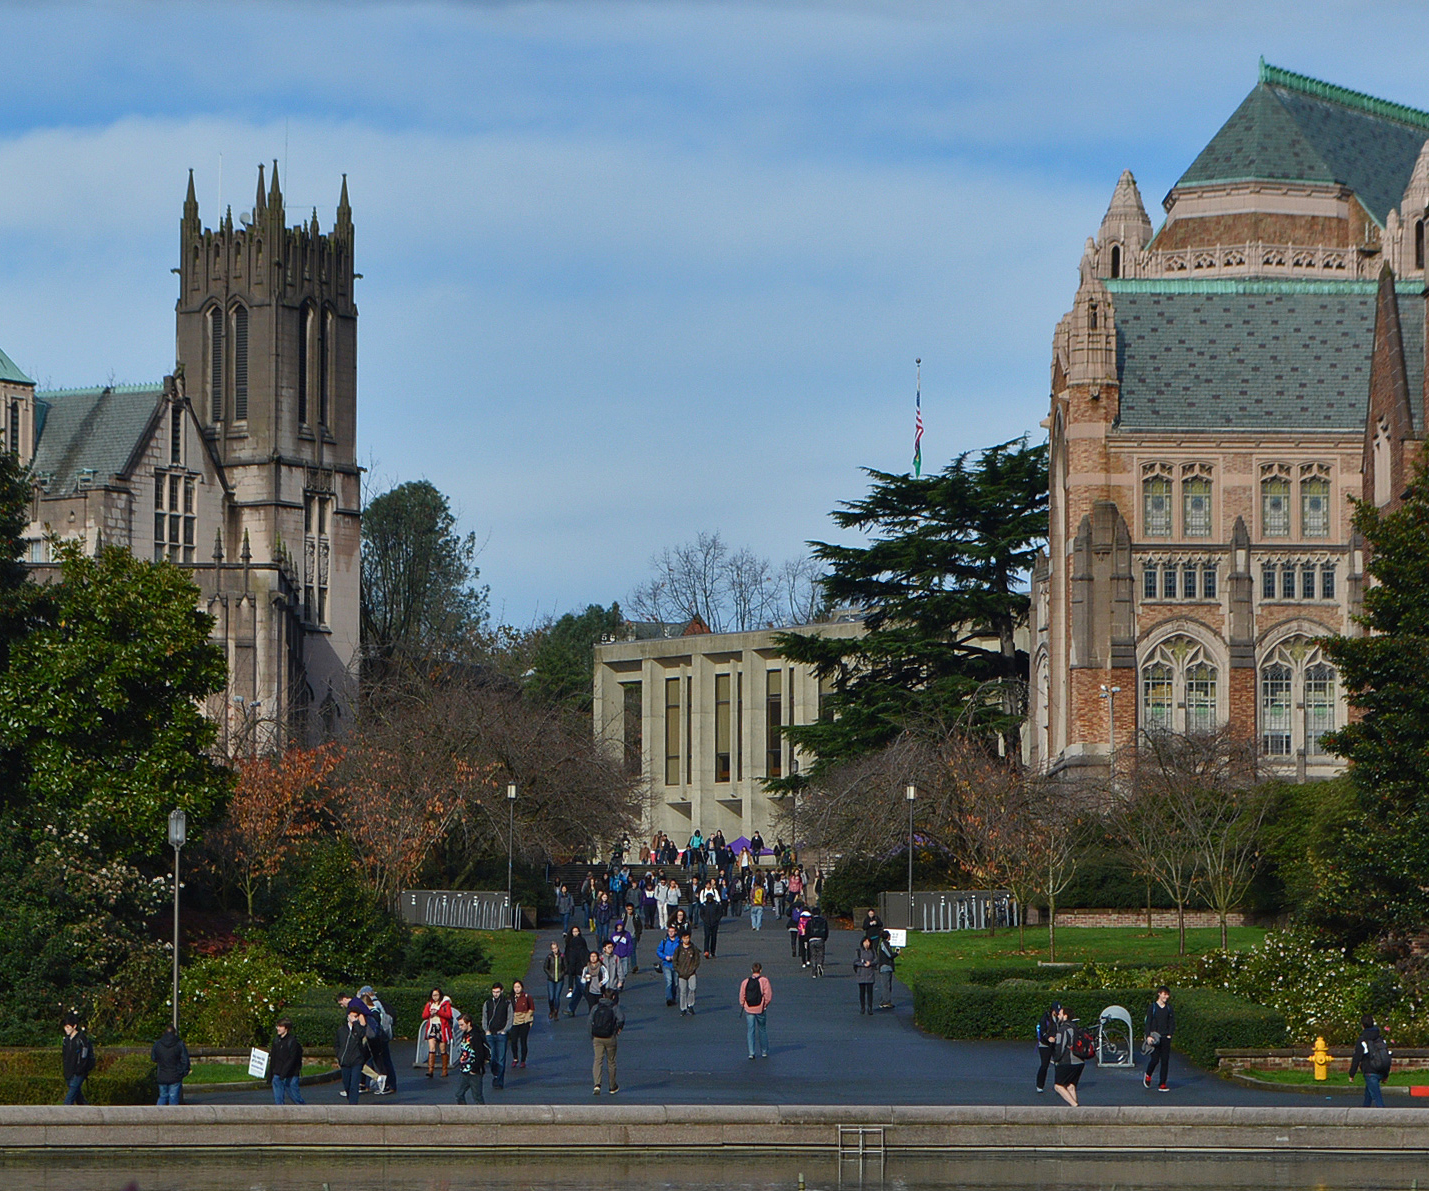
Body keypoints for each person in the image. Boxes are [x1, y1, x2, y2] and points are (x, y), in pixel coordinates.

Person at [1349, 1013, 1391, 1107]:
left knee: (1377, 1099)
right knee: (1368, 1096)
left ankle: (1384, 1118)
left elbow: (1357, 1057)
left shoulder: (1363, 1040)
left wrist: (1352, 1074)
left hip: (1369, 1071)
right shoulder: (1380, 1039)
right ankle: (1364, 1113)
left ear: (1362, 1025)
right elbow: (1385, 1057)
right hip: (1380, 1070)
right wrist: (1386, 1074)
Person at [360, 985, 397, 1094]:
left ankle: (387, 1085)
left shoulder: (374, 1006)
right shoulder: (381, 1004)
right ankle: (373, 1083)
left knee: (381, 1061)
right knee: (380, 1060)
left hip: (377, 1037)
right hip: (382, 1036)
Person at [590, 988, 625, 1096]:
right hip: (610, 1037)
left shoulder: (596, 1007)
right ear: (613, 997)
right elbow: (621, 1019)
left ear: (603, 996)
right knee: (611, 1061)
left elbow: (589, 1021)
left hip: (597, 1037)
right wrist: (617, 1029)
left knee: (598, 1060)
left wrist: (592, 1035)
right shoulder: (614, 1007)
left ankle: (597, 1084)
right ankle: (612, 1086)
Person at [482, 982, 514, 1090]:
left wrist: (505, 1030)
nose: (495, 994)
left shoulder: (506, 1003)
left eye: (497, 992)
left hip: (501, 1034)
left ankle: (499, 1081)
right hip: (490, 1034)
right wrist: (486, 1030)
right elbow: (484, 1017)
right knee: (492, 1058)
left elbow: (510, 1018)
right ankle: (495, 1074)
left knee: (501, 1059)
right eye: (494, 992)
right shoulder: (487, 1003)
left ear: (502, 991)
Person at [335, 1003, 369, 1105]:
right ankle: (350, 1098)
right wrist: (339, 1055)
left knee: (354, 1084)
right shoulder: (341, 1030)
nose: (353, 1018)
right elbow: (337, 1044)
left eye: (355, 1016)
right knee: (347, 1084)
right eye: (351, 1016)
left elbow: (361, 1035)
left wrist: (356, 1024)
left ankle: (353, 1104)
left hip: (356, 1060)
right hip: (345, 1060)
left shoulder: (359, 1028)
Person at [1142, 985, 1174, 1092]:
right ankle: (1148, 1074)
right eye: (1164, 994)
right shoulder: (1153, 1007)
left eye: (1167, 995)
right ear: (1159, 994)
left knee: (1165, 1061)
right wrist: (1148, 1036)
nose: (1166, 997)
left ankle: (1162, 1083)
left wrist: (1170, 1034)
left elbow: (1172, 1023)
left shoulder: (1169, 1008)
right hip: (1155, 1037)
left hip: (1165, 1037)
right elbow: (1148, 1022)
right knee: (1155, 1060)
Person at [739, 961, 773, 1060]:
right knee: (762, 1029)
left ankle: (751, 1052)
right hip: (760, 1008)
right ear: (760, 970)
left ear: (751, 970)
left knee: (750, 1030)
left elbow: (742, 995)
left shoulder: (745, 981)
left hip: (749, 1008)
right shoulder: (764, 981)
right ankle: (764, 1051)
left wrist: (744, 1005)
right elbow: (768, 995)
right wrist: (764, 1004)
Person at [151, 1023, 191, 1105]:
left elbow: (153, 1058)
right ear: (175, 1033)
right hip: (175, 1075)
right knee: (173, 1097)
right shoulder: (179, 1044)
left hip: (162, 1074)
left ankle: (158, 1115)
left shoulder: (158, 1044)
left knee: (162, 1096)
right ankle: (173, 1116)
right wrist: (183, 1072)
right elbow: (185, 1060)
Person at [1053, 1006, 1084, 1107]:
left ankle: (1075, 1106)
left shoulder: (1063, 1029)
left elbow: (1060, 1046)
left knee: (1058, 1086)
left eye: (1060, 1014)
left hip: (1068, 1061)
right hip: (1080, 1061)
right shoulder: (1076, 1028)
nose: (1059, 1015)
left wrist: (1056, 1059)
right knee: (1070, 1086)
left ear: (1065, 1016)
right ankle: (1074, 1111)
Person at [61, 1014, 95, 1105]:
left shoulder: (82, 1040)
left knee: (69, 1098)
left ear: (74, 1026)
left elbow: (84, 1056)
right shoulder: (66, 1041)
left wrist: (81, 1069)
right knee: (78, 1097)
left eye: (68, 1027)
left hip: (79, 1072)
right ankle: (88, 1111)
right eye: (65, 1027)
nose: (66, 1029)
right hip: (69, 1071)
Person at [270, 1017, 306, 1105]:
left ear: (286, 1028)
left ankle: (306, 1111)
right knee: (278, 1099)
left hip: (291, 1074)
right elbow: (274, 1058)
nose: (278, 1028)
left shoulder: (292, 1041)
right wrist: (270, 1074)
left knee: (295, 1096)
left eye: (280, 1026)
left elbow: (292, 1059)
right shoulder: (276, 1041)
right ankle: (280, 1113)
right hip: (278, 1073)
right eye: (277, 1026)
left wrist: (284, 1073)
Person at [453, 1013, 486, 1105]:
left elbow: (480, 1054)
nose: (460, 1027)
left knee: (477, 1096)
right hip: (464, 1070)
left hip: (474, 1072)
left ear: (469, 1023)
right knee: (459, 1094)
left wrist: (474, 1069)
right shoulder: (465, 1035)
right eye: (459, 1025)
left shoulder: (476, 1036)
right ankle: (464, 1114)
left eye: (462, 1025)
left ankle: (483, 1116)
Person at [421, 987, 454, 1078]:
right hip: (432, 1026)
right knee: (431, 1048)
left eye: (437, 995)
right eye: (433, 995)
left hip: (442, 1027)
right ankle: (430, 1070)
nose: (435, 997)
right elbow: (424, 1015)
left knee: (443, 1049)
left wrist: (438, 1012)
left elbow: (449, 1015)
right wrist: (430, 1013)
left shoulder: (445, 1004)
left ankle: (444, 1070)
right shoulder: (429, 1004)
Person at [563, 926, 592, 1016]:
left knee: (585, 991)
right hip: (583, 971)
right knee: (578, 992)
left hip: (578, 972)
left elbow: (570, 961)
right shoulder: (584, 949)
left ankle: (594, 1007)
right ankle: (570, 1008)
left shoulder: (571, 949)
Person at [674, 933, 702, 1016]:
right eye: (684, 938)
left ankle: (690, 1004)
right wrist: (679, 970)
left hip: (691, 972)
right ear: (682, 938)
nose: (686, 940)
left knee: (693, 988)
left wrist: (693, 968)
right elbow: (675, 961)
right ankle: (683, 1008)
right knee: (682, 991)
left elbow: (697, 960)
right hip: (681, 973)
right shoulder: (678, 949)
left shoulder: (693, 948)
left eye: (687, 938)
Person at [1035, 1003, 1060, 1094]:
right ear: (1052, 1010)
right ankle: (1040, 1085)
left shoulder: (1059, 1018)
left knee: (1059, 1064)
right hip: (1045, 1044)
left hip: (1055, 1044)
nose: (1057, 1013)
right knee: (1044, 1065)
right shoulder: (1045, 1018)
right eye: (1056, 1011)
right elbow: (1042, 1030)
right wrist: (1048, 1037)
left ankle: (1059, 1085)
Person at [510, 979, 535, 1070]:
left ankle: (523, 1060)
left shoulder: (527, 997)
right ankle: (515, 1058)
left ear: (522, 988)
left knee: (523, 1041)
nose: (517, 989)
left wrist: (527, 1019)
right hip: (514, 1021)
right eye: (515, 987)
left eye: (518, 987)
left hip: (524, 1022)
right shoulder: (511, 998)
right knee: (513, 1041)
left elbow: (532, 1008)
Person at [657, 924, 681, 1007]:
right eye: (669, 931)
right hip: (666, 964)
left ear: (675, 932)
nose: (671, 933)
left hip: (676, 965)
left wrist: (676, 957)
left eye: (672, 931)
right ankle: (669, 999)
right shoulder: (664, 941)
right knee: (669, 982)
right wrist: (665, 957)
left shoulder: (679, 942)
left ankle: (673, 997)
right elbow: (658, 951)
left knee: (676, 983)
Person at [877, 930, 900, 1009]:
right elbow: (889, 955)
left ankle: (884, 1000)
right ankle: (885, 1001)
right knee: (886, 985)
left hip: (887, 967)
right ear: (887, 936)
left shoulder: (886, 944)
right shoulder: (884, 944)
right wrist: (896, 953)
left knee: (887, 985)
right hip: (885, 966)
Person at [854, 936, 877, 1014]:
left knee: (870, 992)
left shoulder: (873, 951)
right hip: (861, 974)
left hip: (870, 974)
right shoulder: (859, 951)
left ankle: (870, 1007)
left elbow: (876, 960)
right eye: (865, 942)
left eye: (868, 942)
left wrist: (870, 963)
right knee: (862, 992)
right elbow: (855, 961)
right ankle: (862, 1007)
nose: (867, 944)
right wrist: (863, 963)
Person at [700, 883, 724, 958]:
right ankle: (706, 951)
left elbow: (720, 913)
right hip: (707, 922)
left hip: (714, 922)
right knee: (707, 937)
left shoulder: (716, 904)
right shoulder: (704, 905)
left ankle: (713, 952)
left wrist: (717, 920)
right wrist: (704, 920)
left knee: (713, 938)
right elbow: (701, 913)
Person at [578, 951, 606, 1015]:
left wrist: (602, 982)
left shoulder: (601, 967)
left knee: (599, 1008)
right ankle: (592, 1021)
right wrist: (585, 979)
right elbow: (582, 980)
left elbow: (606, 977)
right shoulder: (586, 968)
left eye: (594, 956)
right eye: (591, 956)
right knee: (592, 1007)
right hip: (590, 990)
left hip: (599, 991)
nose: (593, 958)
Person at [543, 941, 565, 1022]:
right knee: (551, 997)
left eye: (556, 948)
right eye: (553, 949)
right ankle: (551, 1009)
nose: (555, 950)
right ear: (551, 949)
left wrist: (562, 974)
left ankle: (556, 1012)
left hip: (560, 979)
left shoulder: (562, 956)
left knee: (557, 997)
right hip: (551, 979)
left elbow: (565, 967)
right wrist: (550, 975)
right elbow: (545, 967)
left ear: (558, 948)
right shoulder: (549, 957)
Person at [610, 920, 635, 987]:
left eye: (621, 926)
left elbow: (629, 944)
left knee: (625, 971)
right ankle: (618, 983)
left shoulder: (627, 934)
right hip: (616, 955)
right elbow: (610, 944)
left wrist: (629, 952)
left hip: (624, 955)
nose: (619, 927)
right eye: (618, 926)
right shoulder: (613, 934)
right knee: (616, 971)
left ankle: (621, 981)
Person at [806, 909, 829, 977]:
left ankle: (814, 971)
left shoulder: (810, 922)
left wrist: (807, 939)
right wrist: (824, 938)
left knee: (813, 955)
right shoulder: (823, 921)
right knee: (820, 954)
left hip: (811, 939)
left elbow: (807, 931)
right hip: (820, 938)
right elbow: (826, 931)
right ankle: (820, 964)